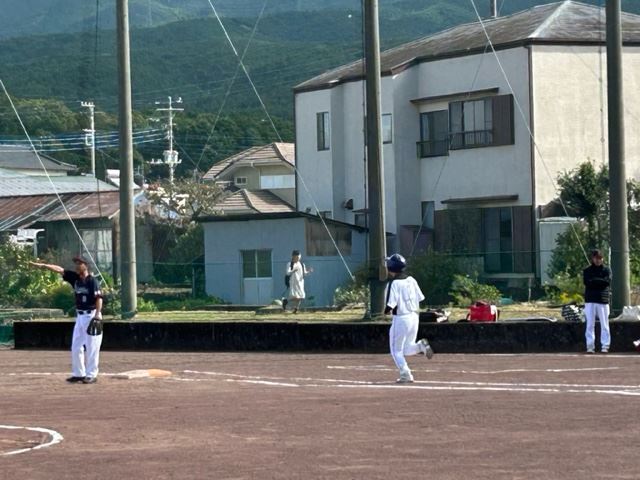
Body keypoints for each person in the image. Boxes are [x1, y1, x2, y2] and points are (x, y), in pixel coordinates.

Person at [30, 256, 104, 383]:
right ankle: (79, 374)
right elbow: (60, 270)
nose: (77, 265)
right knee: (76, 346)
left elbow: (99, 298)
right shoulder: (75, 278)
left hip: (91, 315)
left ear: (86, 265)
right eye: (76, 263)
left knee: (92, 347)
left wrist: (97, 314)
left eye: (79, 263)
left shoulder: (92, 281)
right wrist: (43, 266)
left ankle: (91, 374)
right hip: (80, 317)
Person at [384, 253, 434, 384]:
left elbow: (390, 304)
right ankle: (421, 346)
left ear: (391, 267)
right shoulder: (411, 279)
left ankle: (405, 374)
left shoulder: (394, 283)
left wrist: (385, 312)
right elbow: (420, 297)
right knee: (407, 348)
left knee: (396, 350)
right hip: (414, 317)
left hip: (401, 319)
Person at [583, 249, 611, 354]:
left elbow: (607, 282)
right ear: (592, 258)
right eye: (596, 258)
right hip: (590, 300)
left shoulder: (607, 270)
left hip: (603, 300)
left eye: (600, 258)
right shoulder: (587, 270)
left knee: (604, 324)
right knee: (590, 324)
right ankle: (590, 346)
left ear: (602, 258)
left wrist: (594, 280)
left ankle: (605, 345)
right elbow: (587, 282)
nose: (598, 260)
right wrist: (599, 281)